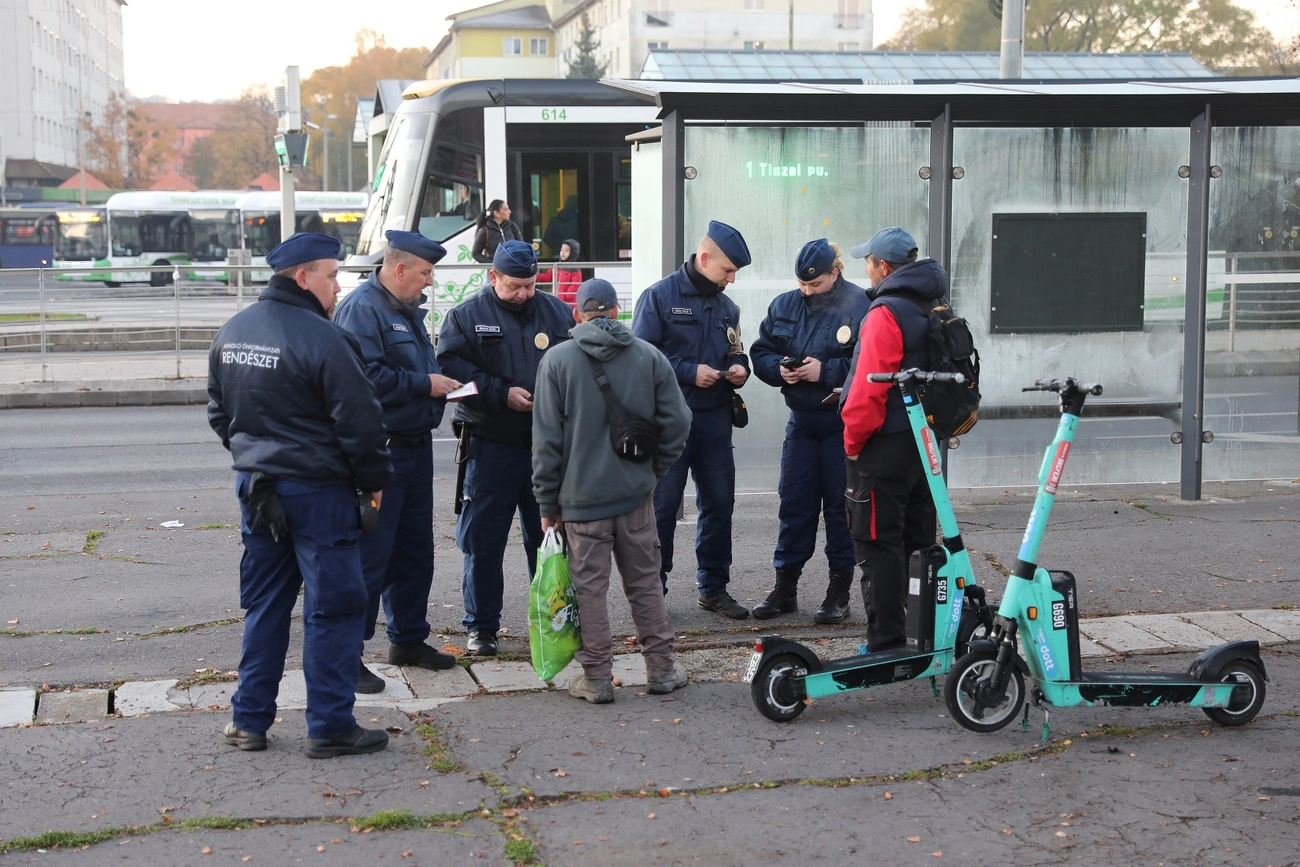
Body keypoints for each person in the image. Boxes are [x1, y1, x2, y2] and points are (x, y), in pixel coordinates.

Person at [207, 233, 393, 759]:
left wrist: (256, 456)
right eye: (332, 276)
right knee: (333, 609)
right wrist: (374, 479)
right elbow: (361, 424)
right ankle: (330, 726)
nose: (338, 287)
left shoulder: (234, 331)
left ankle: (248, 720)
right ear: (303, 277)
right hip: (318, 493)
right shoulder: (326, 339)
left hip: (258, 489)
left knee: (265, 604)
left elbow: (221, 414)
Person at [532, 278, 694, 703]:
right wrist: (654, 471)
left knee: (589, 589)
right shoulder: (648, 355)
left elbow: (546, 442)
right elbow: (678, 421)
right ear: (617, 311)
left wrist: (547, 502)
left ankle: (597, 678)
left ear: (576, 314)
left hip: (580, 501)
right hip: (635, 495)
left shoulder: (557, 360)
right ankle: (662, 670)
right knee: (645, 582)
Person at [333, 230, 463, 692]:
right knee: (370, 556)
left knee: (413, 551)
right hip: (380, 450)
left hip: (414, 446)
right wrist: (424, 384)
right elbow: (361, 378)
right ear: (400, 268)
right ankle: (347, 655)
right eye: (425, 272)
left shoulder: (404, 309)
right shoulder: (362, 309)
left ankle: (408, 638)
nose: (430, 281)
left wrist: (439, 384)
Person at [437, 239, 577, 655]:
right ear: (492, 276)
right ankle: (482, 628)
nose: (523, 294)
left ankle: (552, 624)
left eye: (530, 285)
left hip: (546, 447)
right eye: (514, 286)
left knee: (550, 541)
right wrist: (500, 394)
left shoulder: (556, 312)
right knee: (483, 542)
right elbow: (452, 381)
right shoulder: (465, 317)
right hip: (490, 445)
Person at [632, 220, 752, 619]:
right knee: (662, 510)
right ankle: (653, 595)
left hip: (715, 419)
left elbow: (736, 348)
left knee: (719, 504)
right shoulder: (659, 297)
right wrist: (688, 371)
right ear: (704, 257)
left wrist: (741, 367)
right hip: (669, 421)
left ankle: (713, 588)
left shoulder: (726, 307)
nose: (731, 280)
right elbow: (641, 358)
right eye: (727, 270)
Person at [749, 239, 871, 623]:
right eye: (801, 283)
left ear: (835, 272)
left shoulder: (861, 305)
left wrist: (825, 372)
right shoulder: (785, 305)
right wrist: (778, 369)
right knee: (795, 505)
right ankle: (785, 589)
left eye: (814, 284)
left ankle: (839, 592)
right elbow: (761, 351)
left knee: (840, 510)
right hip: (801, 424)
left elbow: (869, 364)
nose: (806, 291)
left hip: (842, 426)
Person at [840, 227, 947, 652]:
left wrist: (853, 443)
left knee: (877, 544)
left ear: (883, 267)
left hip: (883, 445)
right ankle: (925, 635)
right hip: (924, 442)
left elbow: (869, 389)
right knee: (918, 542)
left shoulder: (886, 312)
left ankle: (885, 644)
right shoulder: (934, 302)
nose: (866, 270)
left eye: (868, 262)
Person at [471, 199, 524, 263]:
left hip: (513, 267)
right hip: (496, 268)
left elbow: (522, 246)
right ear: (496, 213)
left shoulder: (512, 226)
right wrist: (493, 263)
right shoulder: (485, 230)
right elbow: (476, 254)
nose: (510, 211)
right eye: (506, 209)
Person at [536, 238, 583, 307]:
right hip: (556, 299)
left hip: (569, 303)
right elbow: (548, 277)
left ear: (573, 253)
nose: (563, 252)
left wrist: (568, 294)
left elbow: (575, 284)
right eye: (561, 250)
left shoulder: (574, 268)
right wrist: (536, 276)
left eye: (566, 251)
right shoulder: (557, 266)